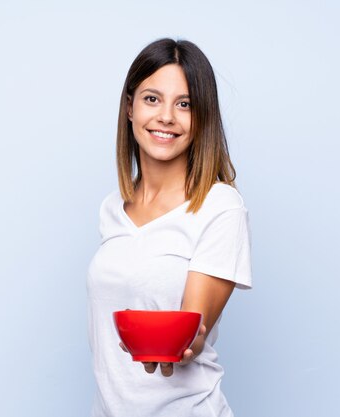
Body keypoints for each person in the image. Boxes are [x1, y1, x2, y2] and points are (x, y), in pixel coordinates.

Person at [87, 38, 252, 417]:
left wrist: (180, 344)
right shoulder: (112, 209)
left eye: (185, 104)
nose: (166, 117)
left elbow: (193, 329)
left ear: (202, 117)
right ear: (129, 108)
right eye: (151, 99)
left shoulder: (220, 206)